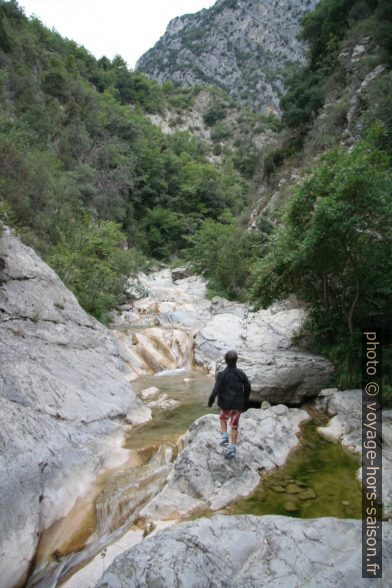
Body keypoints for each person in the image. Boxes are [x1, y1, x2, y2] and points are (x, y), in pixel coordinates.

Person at [208, 350, 251, 460]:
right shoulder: (241, 373)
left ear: (225, 361)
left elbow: (216, 389)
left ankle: (224, 437)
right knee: (234, 426)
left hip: (225, 404)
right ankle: (232, 448)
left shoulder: (221, 375)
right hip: (237, 405)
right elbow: (248, 386)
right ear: (236, 360)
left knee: (222, 418)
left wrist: (211, 400)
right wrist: (245, 399)